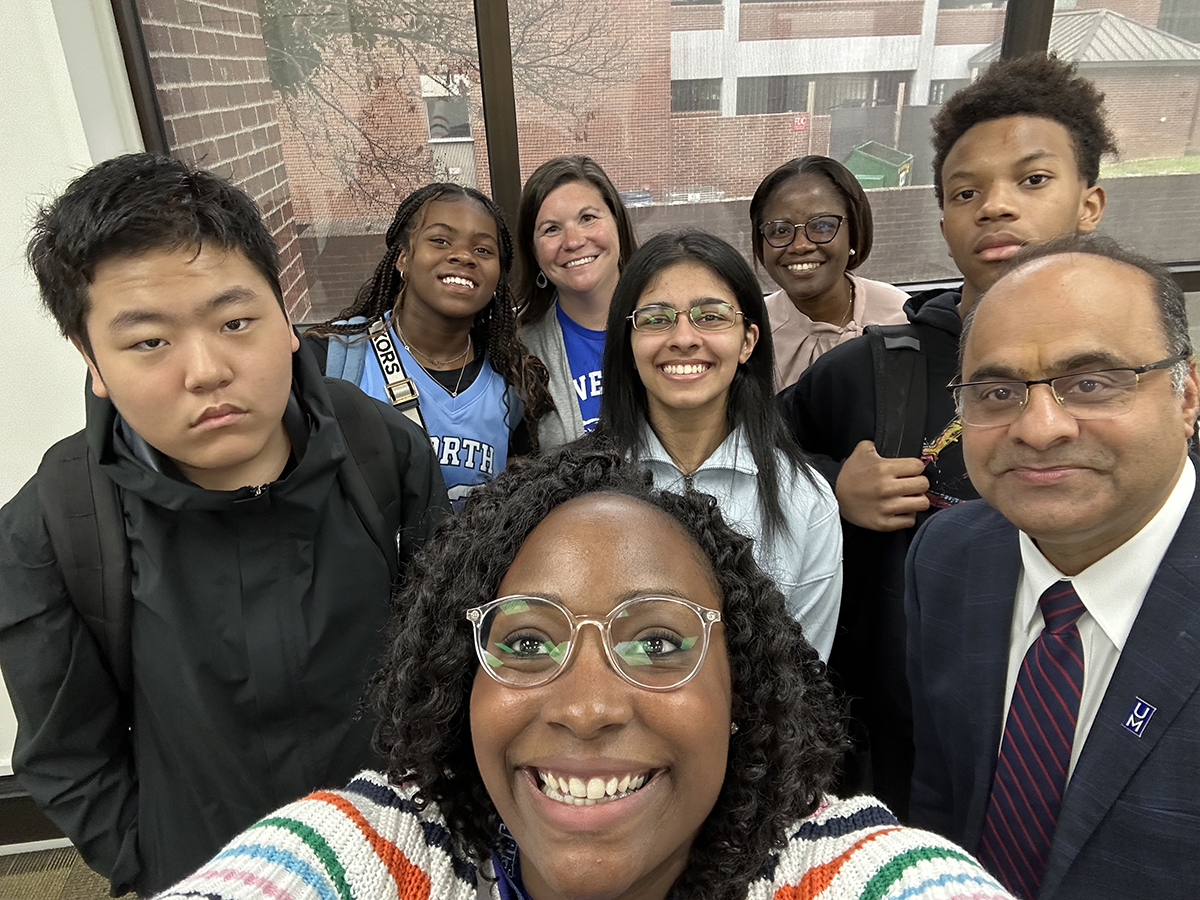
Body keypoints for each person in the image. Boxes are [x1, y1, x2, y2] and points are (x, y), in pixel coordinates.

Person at [153, 442, 1015, 900]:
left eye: (659, 642)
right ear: (464, 685)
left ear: (741, 697)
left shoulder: (844, 870)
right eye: (527, 644)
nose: (591, 706)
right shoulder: (370, 853)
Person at [0, 154, 450, 896]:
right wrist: (163, 868)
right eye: (149, 341)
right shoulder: (54, 526)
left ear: (285, 316)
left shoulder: (380, 448)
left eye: (236, 321)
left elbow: (441, 653)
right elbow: (66, 756)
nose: (206, 369)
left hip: (393, 860)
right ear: (93, 361)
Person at [776, 53, 1114, 817]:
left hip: (1084, 739)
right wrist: (832, 485)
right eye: (967, 192)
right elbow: (753, 449)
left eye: (1032, 180)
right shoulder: (872, 367)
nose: (995, 207)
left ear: (1089, 203)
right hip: (897, 747)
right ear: (944, 219)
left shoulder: (1141, 377)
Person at [907, 234, 1200, 900]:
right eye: (998, 391)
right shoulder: (947, 557)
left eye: (1091, 383)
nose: (1039, 428)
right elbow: (940, 796)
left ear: (1186, 396)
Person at [596, 230, 842, 660]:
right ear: (628, 344)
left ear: (747, 341)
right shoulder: (579, 485)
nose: (685, 337)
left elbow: (802, 674)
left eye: (710, 316)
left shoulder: (805, 501)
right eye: (655, 318)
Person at [307, 183, 553, 508]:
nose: (463, 256)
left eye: (483, 250)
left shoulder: (510, 380)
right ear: (403, 258)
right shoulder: (333, 356)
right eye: (440, 240)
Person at [749, 155, 908, 390]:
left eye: (822, 226)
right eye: (780, 230)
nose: (800, 245)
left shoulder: (902, 317)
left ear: (853, 232)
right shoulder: (750, 336)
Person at [515, 155, 638, 448]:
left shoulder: (673, 321)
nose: (572, 241)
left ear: (617, 223)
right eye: (551, 229)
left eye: (587, 218)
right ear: (533, 250)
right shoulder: (516, 347)